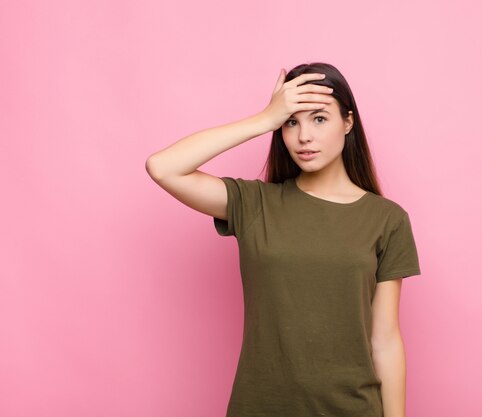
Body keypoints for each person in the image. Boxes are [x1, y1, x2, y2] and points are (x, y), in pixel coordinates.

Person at [146, 62, 421, 417]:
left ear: (348, 122)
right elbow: (163, 167)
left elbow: (384, 341)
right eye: (292, 121)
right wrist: (265, 118)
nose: (304, 136)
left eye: (319, 118)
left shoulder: (387, 219)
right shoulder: (256, 204)